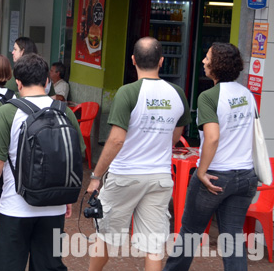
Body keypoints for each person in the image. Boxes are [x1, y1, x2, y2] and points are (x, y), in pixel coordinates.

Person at [84, 37, 191, 271]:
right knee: (154, 244)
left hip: (125, 175)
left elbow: (116, 139)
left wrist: (96, 175)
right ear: (161, 61)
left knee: (106, 235)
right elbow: (176, 135)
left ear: (133, 60)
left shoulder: (127, 92)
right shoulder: (177, 93)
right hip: (159, 177)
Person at [0, 53, 84, 270]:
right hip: (54, 209)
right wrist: (66, 196)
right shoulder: (65, 113)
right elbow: (73, 157)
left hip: (16, 207)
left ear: (17, 82)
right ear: (46, 82)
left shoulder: (9, 112)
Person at [163, 43, 257, 271]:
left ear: (217, 66)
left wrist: (202, 171)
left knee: (189, 234)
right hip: (245, 176)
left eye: (207, 57)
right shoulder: (247, 94)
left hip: (215, 176)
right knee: (233, 238)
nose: (203, 61)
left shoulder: (208, 97)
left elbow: (212, 137)